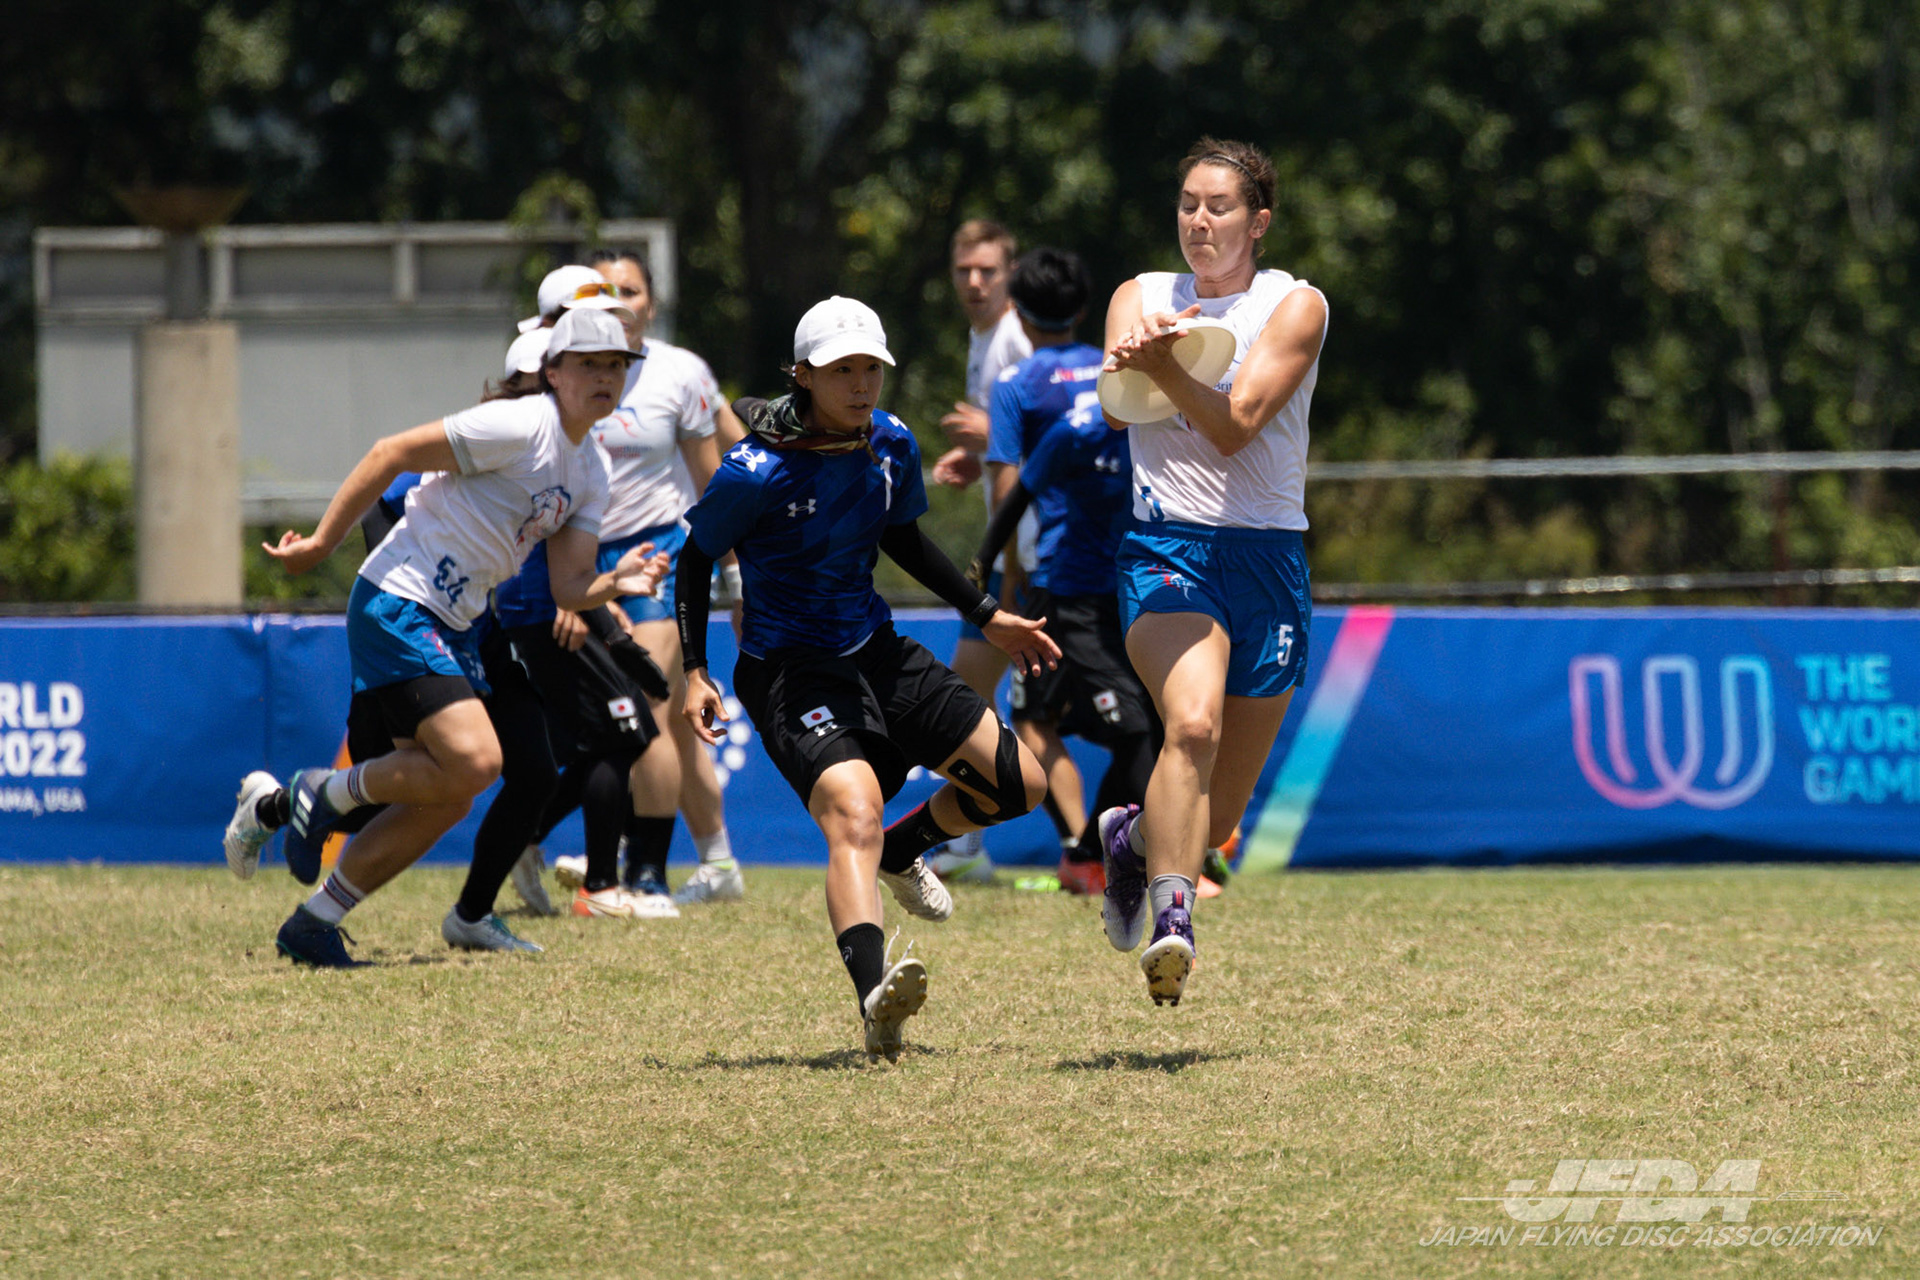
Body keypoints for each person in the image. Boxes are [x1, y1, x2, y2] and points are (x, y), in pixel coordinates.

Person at [676, 295, 1059, 1062]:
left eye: (871, 369)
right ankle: (875, 1000)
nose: (861, 385)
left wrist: (987, 614)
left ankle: (901, 849)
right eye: (842, 370)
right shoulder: (753, 471)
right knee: (853, 815)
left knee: (1022, 786)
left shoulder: (891, 441)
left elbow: (904, 540)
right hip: (791, 674)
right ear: (804, 375)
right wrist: (695, 671)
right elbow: (693, 563)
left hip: (877, 652)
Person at [222, 308, 667, 966]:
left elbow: (571, 586)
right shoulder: (521, 425)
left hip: (454, 621)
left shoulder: (592, 470)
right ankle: (319, 791)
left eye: (617, 366)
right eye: (589, 364)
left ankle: (315, 920)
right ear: (553, 372)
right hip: (400, 599)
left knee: (449, 796)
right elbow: (390, 453)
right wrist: (320, 544)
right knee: (479, 762)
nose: (606, 377)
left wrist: (616, 582)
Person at [1094, 137, 1329, 1007]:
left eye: (1219, 206)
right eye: (1188, 204)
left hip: (1268, 560)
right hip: (1168, 549)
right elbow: (1118, 405)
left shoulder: (1294, 306)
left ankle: (1129, 842)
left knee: (1217, 818)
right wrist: (1141, 360)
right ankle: (1174, 917)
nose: (1199, 220)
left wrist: (1166, 364)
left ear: (1257, 222)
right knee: (1190, 726)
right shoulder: (1140, 296)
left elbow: (1235, 427)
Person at [544, 246, 745, 908]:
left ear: (652, 303)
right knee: (660, 725)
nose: (618, 304)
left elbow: (715, 480)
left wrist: (737, 577)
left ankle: (644, 871)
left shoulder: (680, 373)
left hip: (660, 556)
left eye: (630, 291)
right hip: (578, 557)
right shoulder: (556, 376)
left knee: (646, 705)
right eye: (604, 292)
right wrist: (562, 582)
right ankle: (714, 863)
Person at [969, 247, 1160, 896]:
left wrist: (1008, 575)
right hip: (1139, 570)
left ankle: (1085, 847)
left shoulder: (1016, 384)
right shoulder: (1120, 374)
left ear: (1017, 313)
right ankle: (1092, 853)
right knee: (1105, 714)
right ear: (1083, 310)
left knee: (1034, 718)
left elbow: (1008, 485)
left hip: (1055, 575)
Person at [924, 219, 1073, 884]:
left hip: (1036, 554)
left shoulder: (1015, 336)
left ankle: (1086, 849)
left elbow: (1063, 427)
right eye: (964, 270)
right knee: (979, 698)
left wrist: (994, 435)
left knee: (989, 703)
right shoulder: (984, 337)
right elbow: (1012, 439)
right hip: (1017, 551)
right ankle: (972, 843)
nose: (975, 282)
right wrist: (977, 454)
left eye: (988, 270)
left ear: (1011, 276)